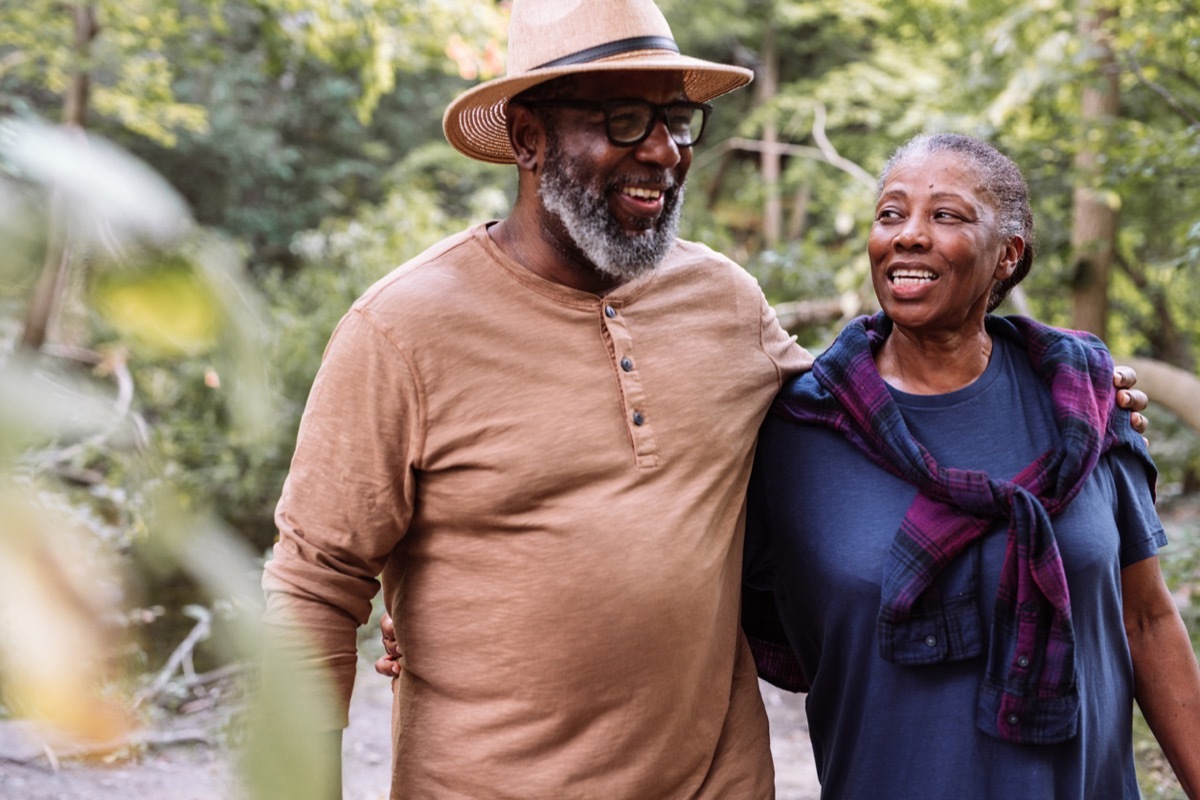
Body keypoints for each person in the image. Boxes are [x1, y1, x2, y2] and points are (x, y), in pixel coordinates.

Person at [262, 1, 814, 797]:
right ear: (527, 137)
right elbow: (315, 582)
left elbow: (859, 426)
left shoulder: (726, 302)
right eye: (625, 119)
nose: (663, 151)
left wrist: (1038, 373)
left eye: (677, 119)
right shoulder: (402, 329)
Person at [741, 132, 1200, 799]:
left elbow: (1147, 620)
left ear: (1007, 256)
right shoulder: (801, 428)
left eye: (946, 215)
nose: (908, 235)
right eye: (891, 214)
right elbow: (713, 624)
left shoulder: (1084, 402)